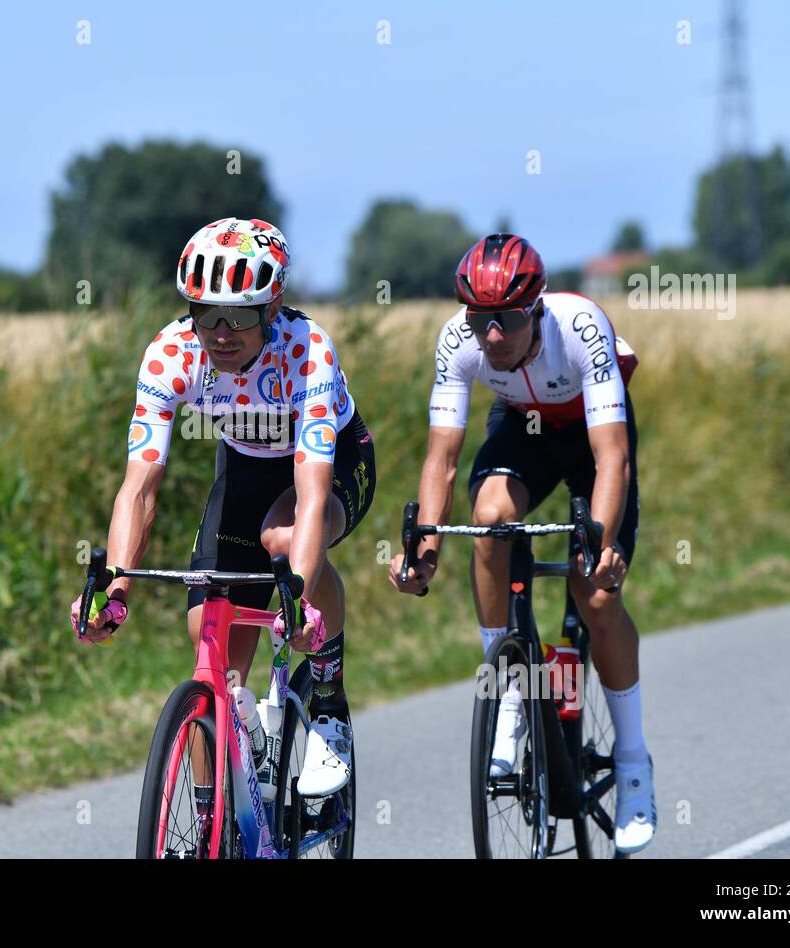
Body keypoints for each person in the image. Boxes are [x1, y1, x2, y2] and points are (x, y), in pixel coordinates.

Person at [72, 217, 376, 811]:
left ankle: (329, 703)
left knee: (283, 537)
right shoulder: (170, 353)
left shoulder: (305, 349)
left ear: (273, 305)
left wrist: (301, 601)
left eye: (238, 316)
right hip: (243, 464)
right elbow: (140, 486)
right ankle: (217, 813)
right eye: (204, 313)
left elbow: (312, 494)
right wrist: (115, 587)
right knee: (208, 637)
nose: (219, 332)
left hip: (331, 462)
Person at [389, 232, 655, 854]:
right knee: (490, 519)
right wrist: (424, 549)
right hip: (522, 430)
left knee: (594, 596)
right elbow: (443, 461)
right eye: (480, 321)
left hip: (591, 431)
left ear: (535, 309)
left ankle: (635, 765)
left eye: (506, 321)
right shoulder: (459, 342)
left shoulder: (581, 327)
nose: (492, 337)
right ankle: (510, 688)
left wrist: (602, 543)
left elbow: (612, 456)